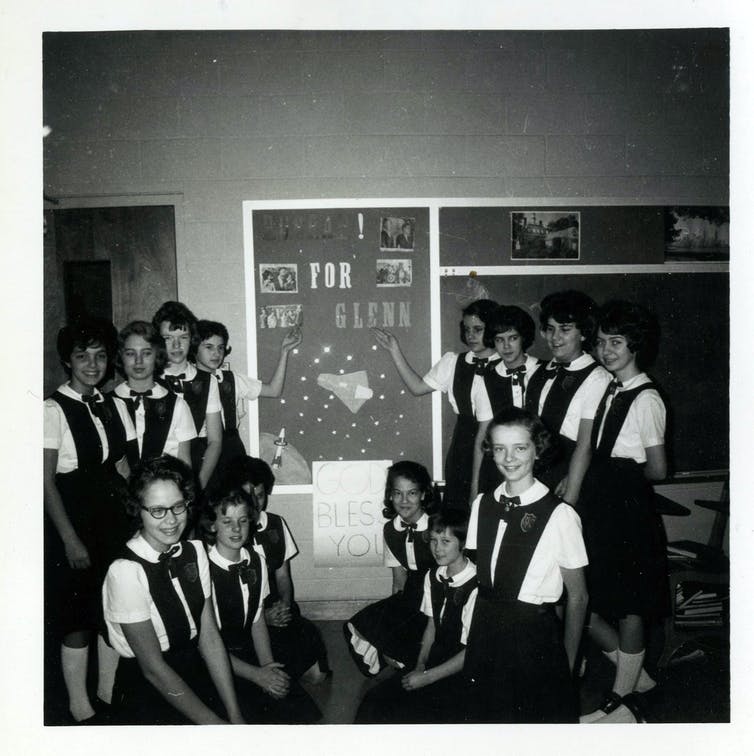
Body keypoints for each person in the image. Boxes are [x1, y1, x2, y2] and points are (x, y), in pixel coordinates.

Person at [464, 408, 589, 723]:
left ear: (538, 450)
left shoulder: (560, 515)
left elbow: (578, 597)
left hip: (533, 637)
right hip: (486, 630)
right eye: (500, 448)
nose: (509, 458)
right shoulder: (483, 504)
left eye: (520, 448)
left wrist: (568, 663)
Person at [579, 301, 669, 724]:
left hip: (629, 507)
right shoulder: (610, 388)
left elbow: (659, 468)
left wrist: (621, 476)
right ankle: (639, 682)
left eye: (616, 341)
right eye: (600, 342)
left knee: (631, 605)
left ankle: (622, 698)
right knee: (591, 602)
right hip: (600, 505)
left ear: (635, 344)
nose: (606, 349)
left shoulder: (646, 398)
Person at [102, 455, 244, 725]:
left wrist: (234, 715)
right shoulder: (125, 571)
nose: (171, 520)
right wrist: (214, 724)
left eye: (178, 506)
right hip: (151, 686)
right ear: (137, 509)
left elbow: (210, 638)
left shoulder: (195, 551)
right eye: (158, 510)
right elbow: (153, 670)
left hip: (194, 668)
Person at [43, 317, 137, 723]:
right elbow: (44, 481)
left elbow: (122, 467)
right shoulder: (52, 409)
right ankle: (79, 704)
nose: (92, 364)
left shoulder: (112, 403)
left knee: (111, 610)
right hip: (73, 522)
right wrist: (69, 539)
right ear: (68, 361)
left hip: (112, 520)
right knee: (77, 618)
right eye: (83, 356)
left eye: (100, 356)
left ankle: (106, 692)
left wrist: (136, 519)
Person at [200, 485, 322, 723]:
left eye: (243, 520)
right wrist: (257, 675)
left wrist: (269, 667)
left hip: (247, 652)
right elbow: (208, 646)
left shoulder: (257, 560)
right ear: (212, 525)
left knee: (299, 711)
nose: (236, 529)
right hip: (214, 662)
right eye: (227, 521)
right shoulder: (205, 569)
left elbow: (257, 620)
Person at [372, 298, 501, 510]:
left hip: (500, 444)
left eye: (478, 329)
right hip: (464, 444)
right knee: (460, 509)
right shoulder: (453, 362)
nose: (471, 335)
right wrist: (394, 350)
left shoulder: (510, 364)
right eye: (467, 329)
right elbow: (417, 388)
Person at [354, 510, 478, 724]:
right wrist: (420, 665)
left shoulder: (476, 585)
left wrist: (427, 677)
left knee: (420, 714)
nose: (437, 549)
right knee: (373, 703)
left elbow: (473, 652)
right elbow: (431, 626)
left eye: (446, 541)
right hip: (435, 658)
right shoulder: (434, 575)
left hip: (463, 668)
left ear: (464, 543)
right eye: (433, 540)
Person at [224, 456, 331, 684]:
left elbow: (283, 576)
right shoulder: (228, 531)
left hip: (275, 609)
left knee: (318, 675)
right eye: (246, 497)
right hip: (244, 618)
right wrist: (262, 617)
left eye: (260, 496)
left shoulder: (275, 523)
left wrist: (285, 603)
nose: (254, 504)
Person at [344, 461, 437, 677]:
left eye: (412, 493)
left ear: (423, 494)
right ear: (390, 495)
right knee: (362, 623)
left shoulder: (436, 525)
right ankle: (389, 654)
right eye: (398, 493)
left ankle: (404, 656)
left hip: (437, 593)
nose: (404, 501)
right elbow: (398, 580)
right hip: (412, 592)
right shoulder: (390, 529)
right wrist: (393, 617)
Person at [524, 290, 611, 507]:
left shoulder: (596, 377)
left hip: (568, 473)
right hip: (532, 470)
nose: (555, 338)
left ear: (583, 333)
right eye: (550, 329)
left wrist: (571, 490)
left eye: (565, 329)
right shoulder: (539, 371)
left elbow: (586, 444)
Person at [194, 319, 302, 485]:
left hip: (230, 451)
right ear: (194, 348)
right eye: (209, 347)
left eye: (220, 347)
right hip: (198, 450)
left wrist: (284, 351)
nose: (216, 353)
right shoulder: (185, 382)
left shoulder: (231, 380)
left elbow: (273, 390)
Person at [152, 301, 222, 490]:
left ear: (192, 339)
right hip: (157, 470)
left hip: (199, 468)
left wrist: (197, 484)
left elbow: (215, 441)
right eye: (168, 338)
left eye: (183, 337)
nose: (176, 345)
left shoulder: (208, 381)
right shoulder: (150, 380)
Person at [113, 320, 195, 469]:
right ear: (121, 356)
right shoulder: (107, 402)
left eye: (146, 353)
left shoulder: (178, 405)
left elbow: (185, 463)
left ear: (157, 355)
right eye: (131, 353)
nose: (138, 361)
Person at [478, 304, 542, 493]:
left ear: (523, 338)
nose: (506, 346)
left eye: (513, 338)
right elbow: (482, 434)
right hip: (502, 466)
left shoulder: (544, 371)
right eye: (499, 340)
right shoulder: (487, 378)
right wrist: (476, 487)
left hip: (538, 466)